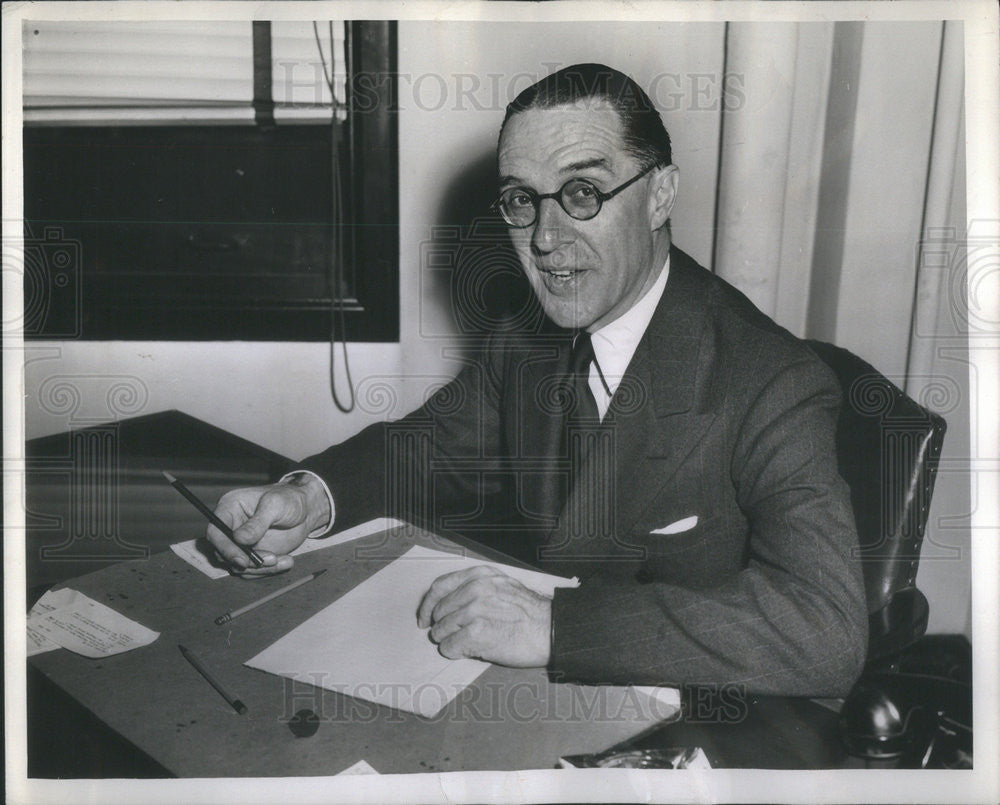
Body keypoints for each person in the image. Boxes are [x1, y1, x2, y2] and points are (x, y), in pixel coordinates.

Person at [208, 63, 868, 697]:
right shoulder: (525, 338)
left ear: (661, 194)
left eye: (583, 193)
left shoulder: (770, 381)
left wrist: (553, 626)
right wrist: (308, 498)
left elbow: (825, 630)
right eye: (523, 200)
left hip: (693, 726)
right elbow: (427, 450)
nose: (545, 239)